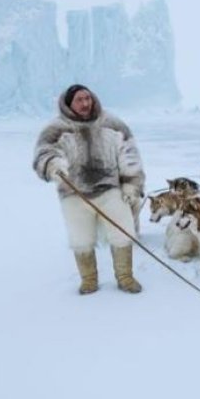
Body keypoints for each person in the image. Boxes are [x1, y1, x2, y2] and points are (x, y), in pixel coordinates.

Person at [33, 84, 146, 294]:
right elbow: (44, 152)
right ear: (69, 104)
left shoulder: (112, 124)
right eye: (79, 100)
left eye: (88, 98)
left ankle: (125, 277)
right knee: (81, 239)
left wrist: (131, 184)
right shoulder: (56, 128)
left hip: (110, 190)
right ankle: (89, 280)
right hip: (75, 193)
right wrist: (52, 165)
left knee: (123, 232)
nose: (85, 103)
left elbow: (129, 154)